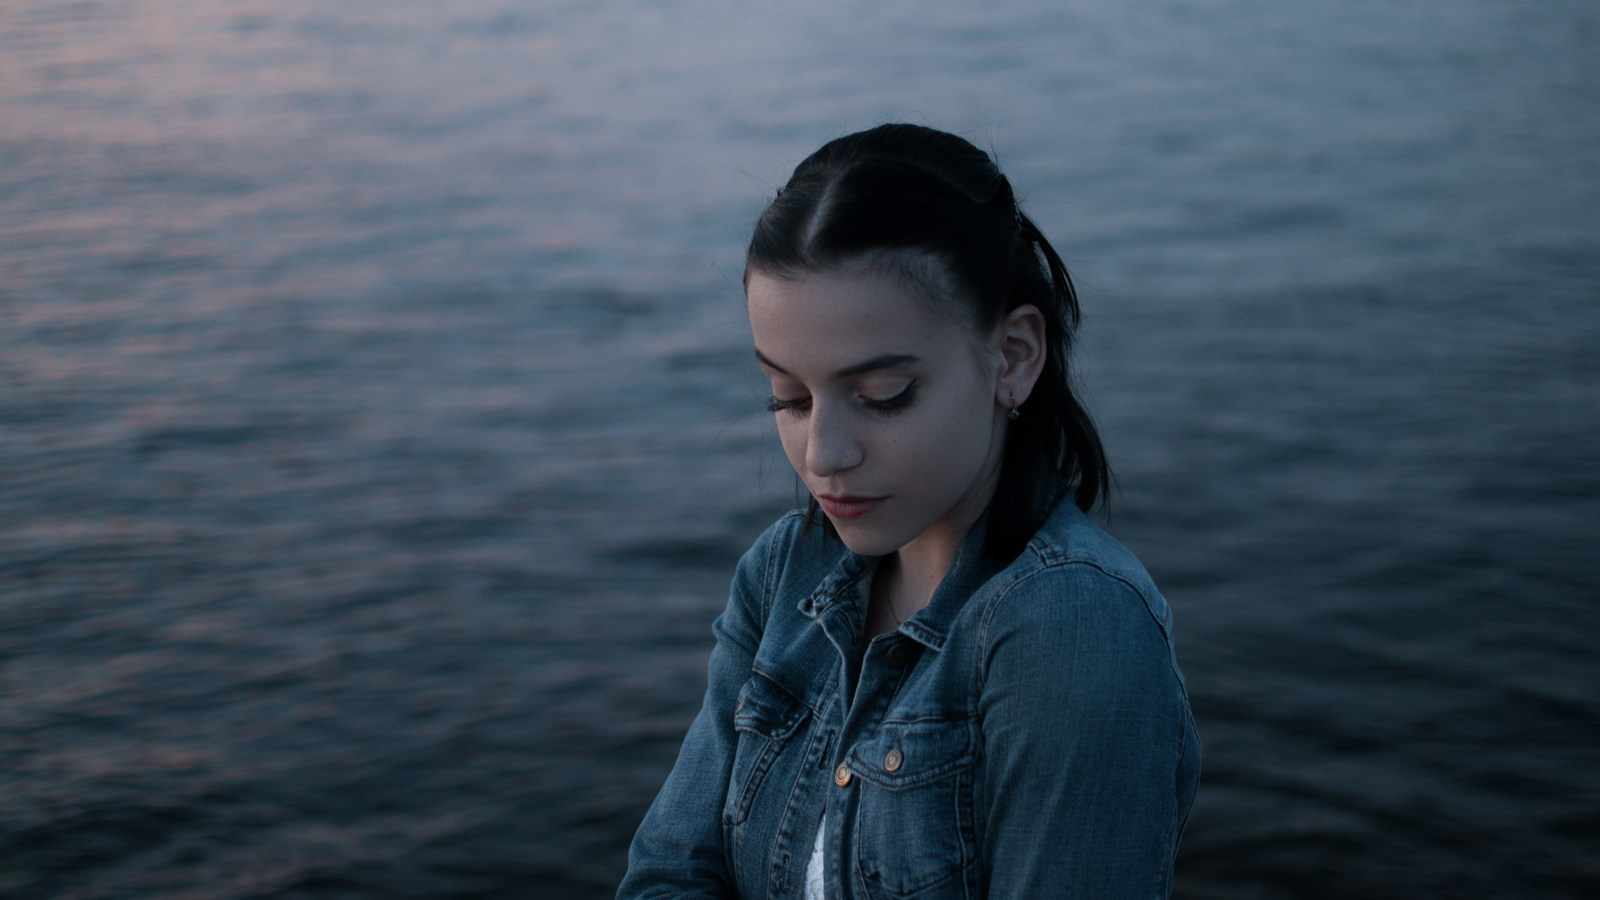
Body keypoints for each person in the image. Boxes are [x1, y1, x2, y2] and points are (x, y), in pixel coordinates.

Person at [617, 123, 1199, 900]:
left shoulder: (1070, 626)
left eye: (882, 396)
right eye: (788, 397)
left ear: (1014, 357)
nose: (822, 453)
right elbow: (667, 876)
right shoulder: (783, 575)